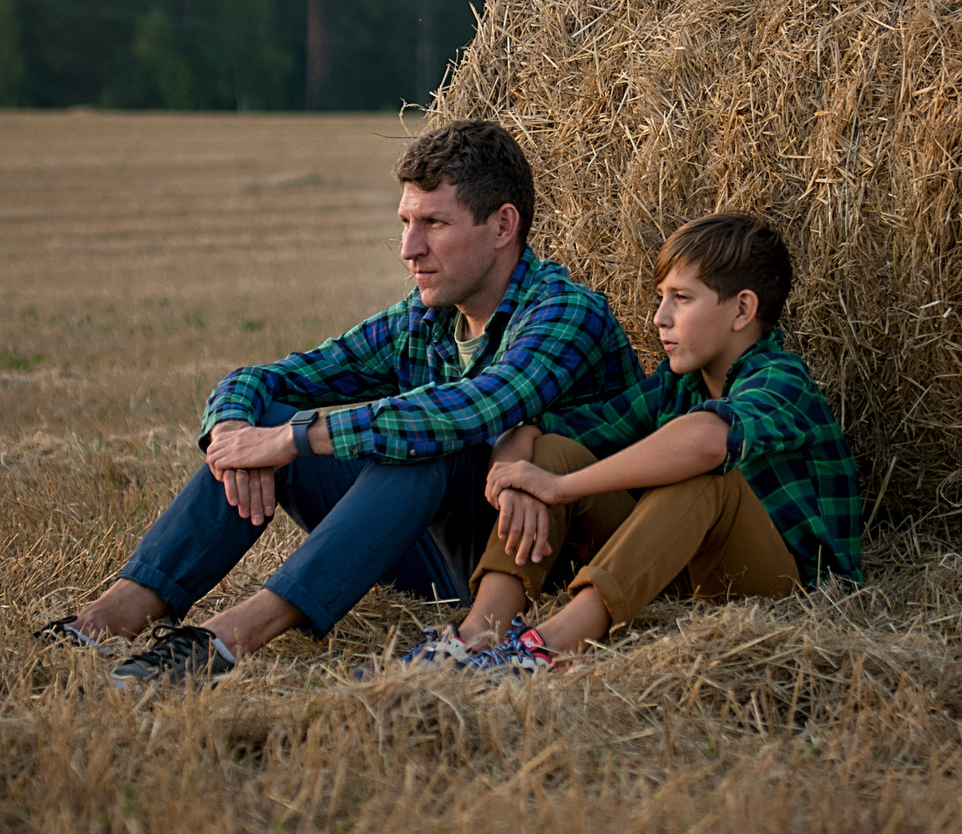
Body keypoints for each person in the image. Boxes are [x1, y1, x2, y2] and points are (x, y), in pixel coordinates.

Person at [40, 119, 639, 686]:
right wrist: (233, 432)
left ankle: (230, 637)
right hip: (438, 562)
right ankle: (117, 612)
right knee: (270, 419)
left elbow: (473, 409)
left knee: (420, 441)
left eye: (434, 223)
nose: (409, 248)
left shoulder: (566, 313)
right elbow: (269, 379)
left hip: (538, 566)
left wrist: (297, 438)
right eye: (406, 221)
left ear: (503, 226)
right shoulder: (423, 319)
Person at [414, 211, 861, 672]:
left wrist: (562, 489)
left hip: (785, 591)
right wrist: (514, 478)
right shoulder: (676, 385)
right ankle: (476, 637)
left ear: (743, 310)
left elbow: (707, 443)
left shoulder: (781, 379)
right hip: (681, 572)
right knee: (551, 456)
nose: (659, 318)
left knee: (706, 476)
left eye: (681, 299)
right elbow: (541, 429)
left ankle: (545, 649)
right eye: (660, 298)